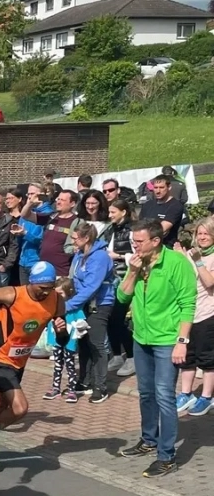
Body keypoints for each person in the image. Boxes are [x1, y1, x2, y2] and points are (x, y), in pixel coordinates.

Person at [0, 261, 65, 464]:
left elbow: (63, 340)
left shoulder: (56, 300)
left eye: (50, 288)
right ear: (32, 282)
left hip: (19, 359)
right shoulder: (12, 294)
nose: (46, 292)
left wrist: (62, 330)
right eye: (42, 288)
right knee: (19, 408)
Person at [115, 219, 196, 477]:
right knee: (146, 393)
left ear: (155, 241)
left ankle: (167, 455)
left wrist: (181, 342)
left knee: (164, 396)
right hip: (142, 338)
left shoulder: (175, 263)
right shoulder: (138, 263)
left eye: (139, 242)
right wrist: (132, 272)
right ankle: (149, 440)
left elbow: (188, 305)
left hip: (167, 340)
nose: (134, 246)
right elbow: (122, 296)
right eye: (133, 241)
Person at [66, 221, 116, 403]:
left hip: (99, 304)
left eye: (75, 238)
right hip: (83, 304)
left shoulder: (100, 257)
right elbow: (76, 281)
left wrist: (68, 305)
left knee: (97, 344)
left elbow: (92, 286)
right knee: (84, 342)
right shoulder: (79, 254)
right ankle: (85, 380)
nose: (72, 241)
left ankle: (100, 387)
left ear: (86, 238)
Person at [177, 217, 214, 417]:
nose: (202, 237)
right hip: (190, 313)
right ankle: (185, 393)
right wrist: (182, 257)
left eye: (206, 234)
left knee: (207, 358)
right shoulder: (191, 254)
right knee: (187, 357)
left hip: (209, 313)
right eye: (199, 233)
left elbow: (209, 282)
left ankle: (207, 396)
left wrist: (199, 260)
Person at [104, 198, 136, 376]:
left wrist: (118, 256)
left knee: (121, 319)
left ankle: (131, 358)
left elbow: (139, 254)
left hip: (126, 278)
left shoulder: (132, 230)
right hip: (111, 278)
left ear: (123, 212)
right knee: (109, 316)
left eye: (113, 212)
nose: (109, 216)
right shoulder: (111, 229)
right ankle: (117, 355)